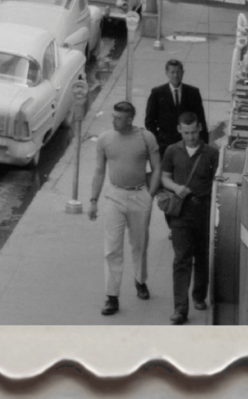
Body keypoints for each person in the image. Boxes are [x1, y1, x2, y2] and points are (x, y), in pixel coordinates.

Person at [88, 99, 161, 315]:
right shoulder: (105, 140)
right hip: (114, 196)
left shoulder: (146, 138)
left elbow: (157, 168)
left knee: (139, 244)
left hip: (140, 195)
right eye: (113, 117)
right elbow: (99, 171)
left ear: (130, 119)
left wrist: (151, 194)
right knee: (112, 249)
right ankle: (112, 296)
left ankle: (140, 280)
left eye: (119, 118)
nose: (114, 121)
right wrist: (93, 200)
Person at [159, 112, 220, 323]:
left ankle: (199, 295)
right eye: (186, 133)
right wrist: (176, 187)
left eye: (194, 132)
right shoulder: (171, 151)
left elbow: (217, 184)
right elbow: (164, 178)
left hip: (204, 212)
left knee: (202, 257)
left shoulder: (212, 153)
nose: (191, 137)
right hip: (181, 213)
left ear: (200, 128)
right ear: (179, 131)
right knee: (181, 260)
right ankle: (180, 309)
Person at [145, 59, 209, 155]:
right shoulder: (157, 93)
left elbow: (201, 119)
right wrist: (158, 141)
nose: (175, 75)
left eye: (178, 72)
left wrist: (204, 143)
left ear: (183, 73)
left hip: (188, 143)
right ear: (166, 73)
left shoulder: (193, 92)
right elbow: (149, 121)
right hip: (165, 145)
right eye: (172, 72)